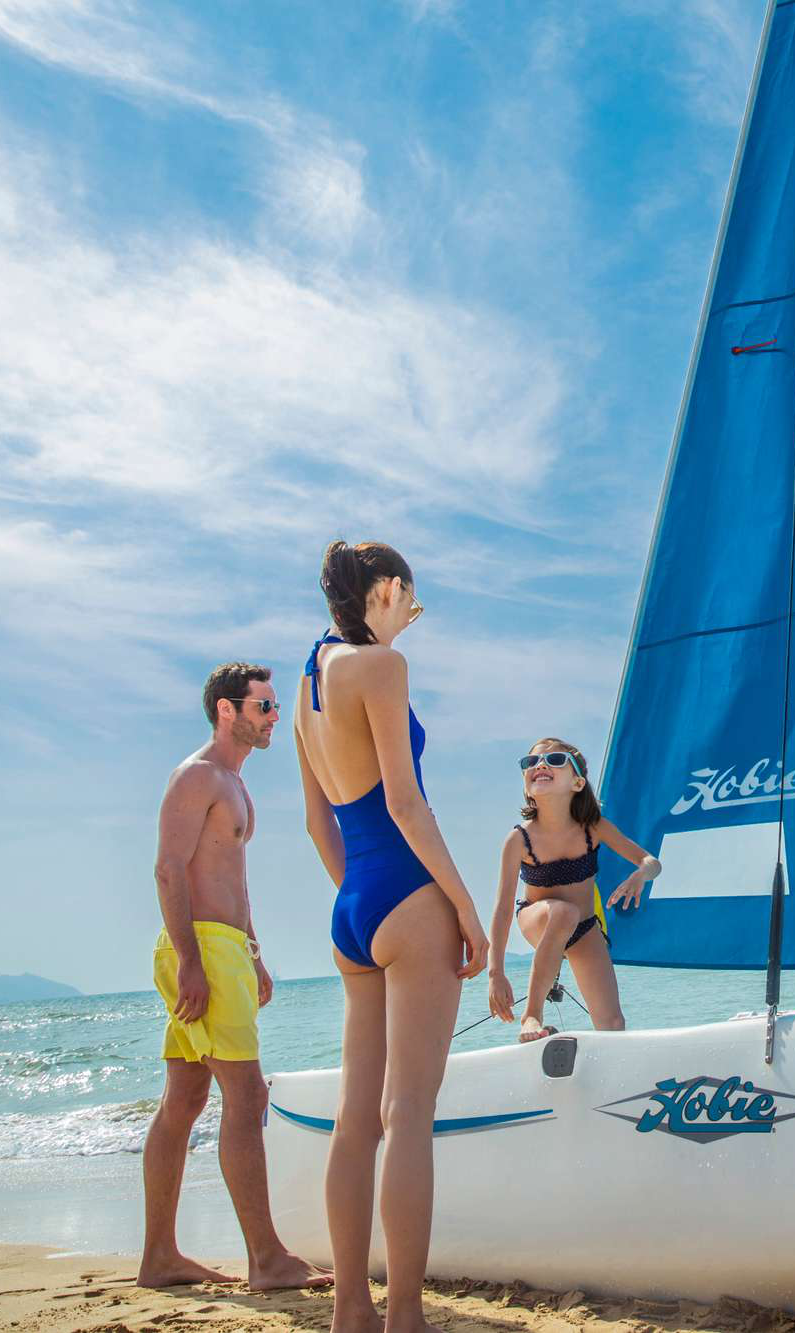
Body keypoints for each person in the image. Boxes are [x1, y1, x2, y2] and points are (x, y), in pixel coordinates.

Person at [294, 540, 488, 1333]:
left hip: (354, 904)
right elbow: (407, 805)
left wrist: (362, 895)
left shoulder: (309, 679)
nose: (412, 614)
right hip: (408, 891)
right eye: (410, 599)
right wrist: (465, 910)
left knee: (355, 1118)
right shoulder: (380, 667)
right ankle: (405, 1312)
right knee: (408, 1112)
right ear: (386, 588)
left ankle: (351, 1309)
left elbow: (317, 823)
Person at [140, 662, 328, 1293]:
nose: (273, 717)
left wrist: (253, 952)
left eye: (273, 707)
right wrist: (193, 961)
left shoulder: (235, 784)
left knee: (185, 1099)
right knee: (246, 1097)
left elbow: (233, 879)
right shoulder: (198, 776)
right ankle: (267, 1259)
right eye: (263, 706)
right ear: (227, 710)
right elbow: (169, 869)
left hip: (225, 950)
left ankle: (159, 1257)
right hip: (200, 950)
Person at [487, 738, 659, 1043]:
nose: (540, 765)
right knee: (564, 912)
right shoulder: (519, 840)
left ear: (578, 783)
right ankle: (532, 1015)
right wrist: (495, 973)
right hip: (537, 918)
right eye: (531, 762)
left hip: (584, 927)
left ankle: (602, 1063)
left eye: (554, 760)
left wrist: (641, 875)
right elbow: (501, 911)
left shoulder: (594, 827)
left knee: (613, 1023)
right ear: (527, 786)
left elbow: (651, 862)